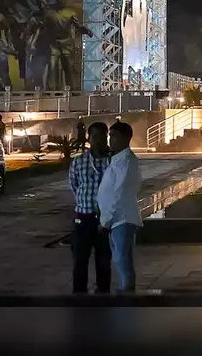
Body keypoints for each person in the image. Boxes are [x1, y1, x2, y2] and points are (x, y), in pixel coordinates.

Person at [97, 121, 142, 293]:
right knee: (119, 261)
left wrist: (106, 220)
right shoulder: (117, 160)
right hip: (116, 221)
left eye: (114, 136)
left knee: (123, 263)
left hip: (122, 220)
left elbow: (120, 193)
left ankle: (128, 300)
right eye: (110, 136)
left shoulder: (127, 161)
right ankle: (125, 296)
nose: (110, 140)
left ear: (126, 138)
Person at [68, 121, 111, 294]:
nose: (98, 140)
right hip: (83, 218)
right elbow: (74, 185)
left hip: (105, 219)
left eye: (102, 136)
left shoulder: (113, 161)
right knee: (80, 260)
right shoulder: (79, 162)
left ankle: (103, 295)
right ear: (89, 138)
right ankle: (79, 297)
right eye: (94, 136)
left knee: (103, 261)